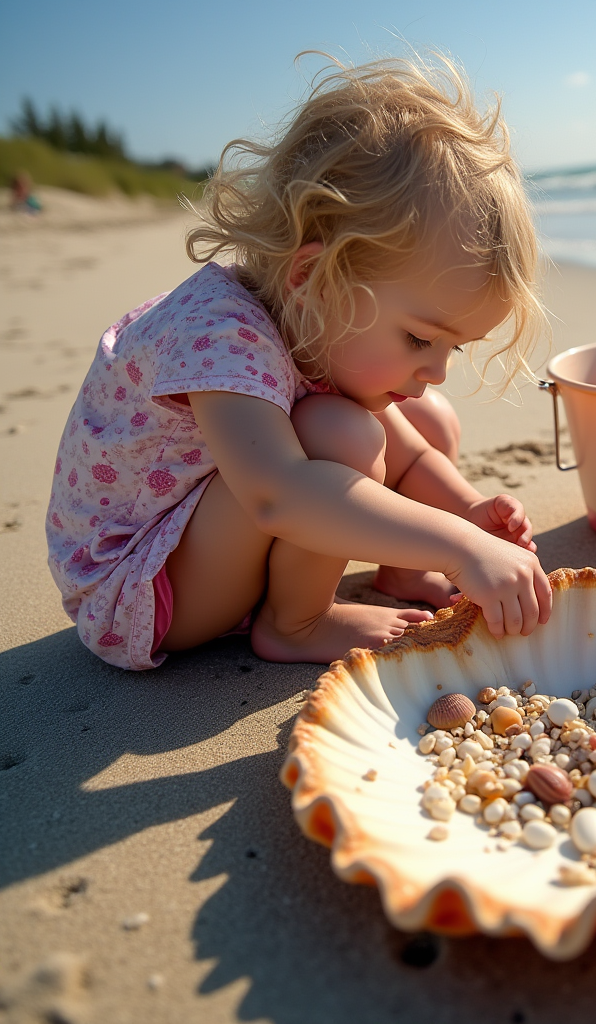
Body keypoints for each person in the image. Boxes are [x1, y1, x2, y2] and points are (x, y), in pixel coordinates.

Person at [45, 55, 552, 671]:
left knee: (430, 421)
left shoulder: (309, 317)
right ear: (313, 275)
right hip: (141, 588)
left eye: (454, 347)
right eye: (420, 339)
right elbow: (277, 497)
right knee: (343, 433)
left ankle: (401, 571)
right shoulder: (223, 335)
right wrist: (461, 547)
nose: (436, 367)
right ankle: (297, 623)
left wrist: (470, 513)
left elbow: (415, 456)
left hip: (207, 541)